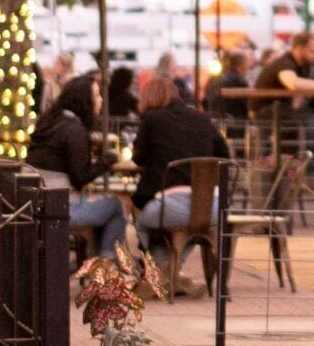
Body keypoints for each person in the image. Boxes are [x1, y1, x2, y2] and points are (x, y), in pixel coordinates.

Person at [27, 74, 127, 259]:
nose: (101, 100)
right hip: (60, 207)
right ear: (84, 100)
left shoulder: (49, 122)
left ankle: (93, 263)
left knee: (103, 206)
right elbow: (80, 177)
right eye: (97, 95)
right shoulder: (74, 130)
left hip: (36, 203)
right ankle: (107, 265)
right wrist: (108, 160)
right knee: (116, 206)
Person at [131, 73, 231, 245]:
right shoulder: (203, 119)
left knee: (141, 220)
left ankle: (154, 259)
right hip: (212, 207)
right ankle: (175, 259)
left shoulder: (151, 119)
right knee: (185, 228)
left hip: (168, 207)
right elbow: (224, 155)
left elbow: (138, 158)